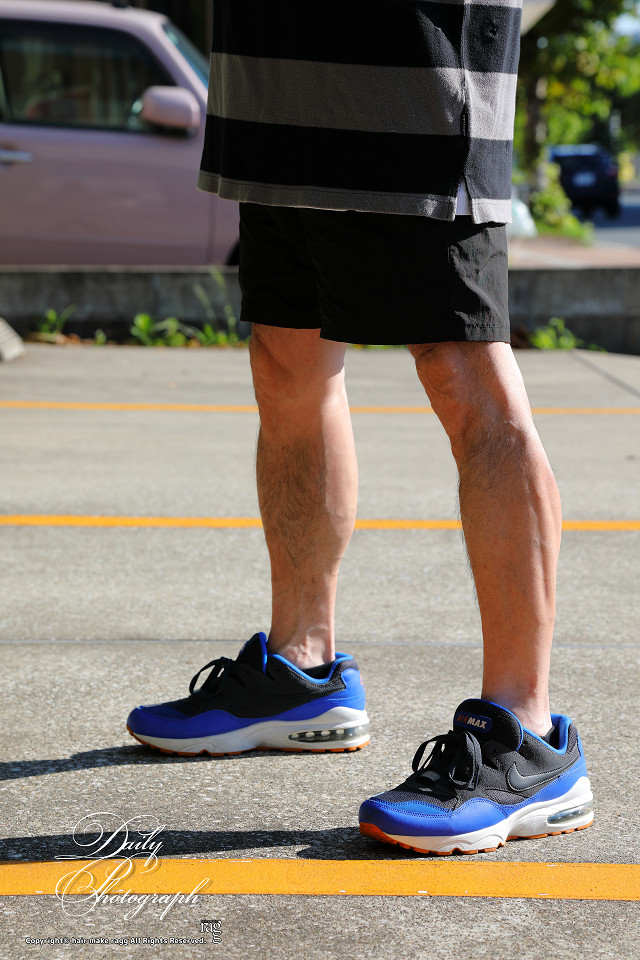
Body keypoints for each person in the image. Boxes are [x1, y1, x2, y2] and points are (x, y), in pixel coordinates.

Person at [127, 0, 593, 855]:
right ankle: (301, 671)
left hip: (411, 70)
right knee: (286, 356)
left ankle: (526, 735)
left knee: (461, 368)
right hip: (270, 75)